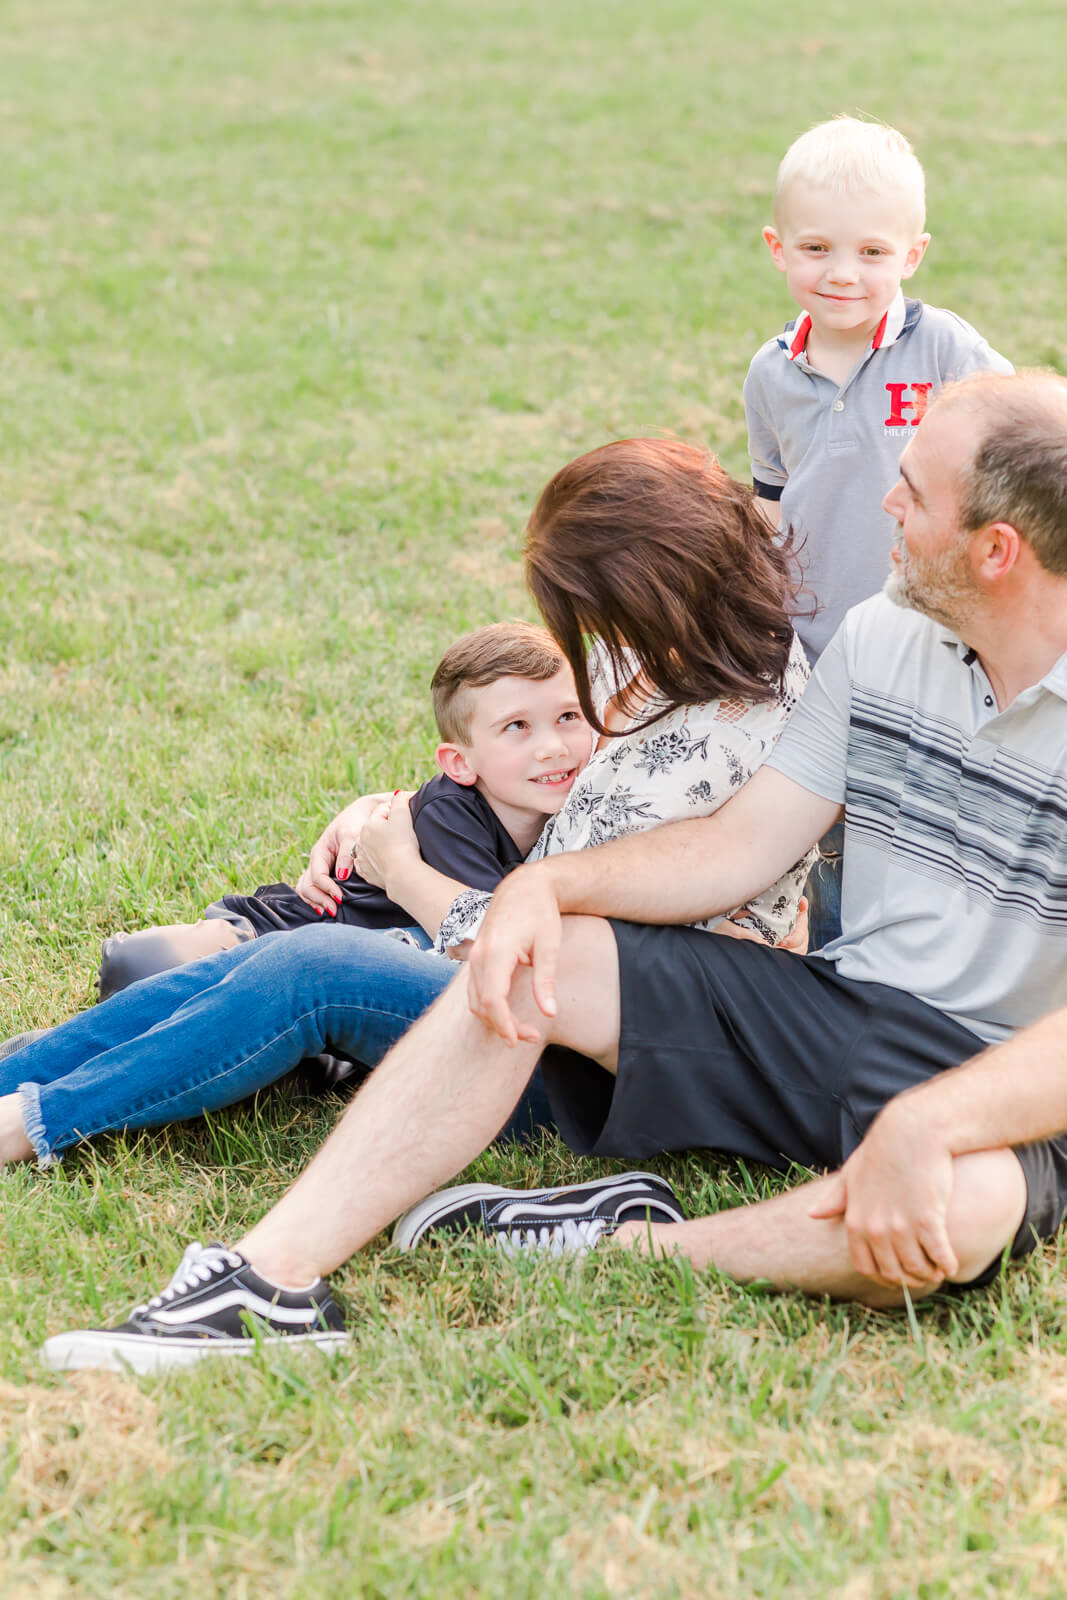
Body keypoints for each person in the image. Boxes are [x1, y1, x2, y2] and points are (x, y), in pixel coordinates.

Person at [38, 371, 1067, 1373]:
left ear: (994, 549)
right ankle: (264, 1282)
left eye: (912, 492)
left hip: (1013, 1082)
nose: (883, 500)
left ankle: (621, 1241)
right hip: (839, 1007)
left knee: (957, 1215)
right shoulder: (880, 637)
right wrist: (545, 889)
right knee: (543, 951)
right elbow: (740, 841)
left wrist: (931, 1121)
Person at [2, 439, 808, 1195]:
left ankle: (30, 1124)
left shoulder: (754, 726)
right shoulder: (636, 653)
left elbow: (555, 943)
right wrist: (385, 814)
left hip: (586, 1049)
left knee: (313, 968)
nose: (587, 632)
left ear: (657, 585)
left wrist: (403, 868)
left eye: (595, 607)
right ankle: (14, 1077)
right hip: (494, 960)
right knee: (269, 959)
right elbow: (526, 768)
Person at [744, 115, 1013, 946]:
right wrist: (759, 616)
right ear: (776, 247)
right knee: (831, 827)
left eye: (871, 253)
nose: (842, 274)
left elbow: (1022, 449)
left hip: (932, 632)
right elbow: (768, 505)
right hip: (816, 642)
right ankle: (834, 968)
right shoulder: (771, 373)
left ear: (912, 255)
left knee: (929, 813)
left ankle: (944, 964)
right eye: (816, 248)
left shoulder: (942, 348)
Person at [94, 622, 591, 997]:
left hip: (366, 972)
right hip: (301, 930)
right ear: (459, 762)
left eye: (568, 717)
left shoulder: (579, 801)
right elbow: (481, 930)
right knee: (142, 967)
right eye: (517, 727)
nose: (553, 747)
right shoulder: (449, 812)